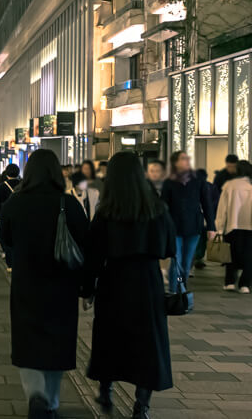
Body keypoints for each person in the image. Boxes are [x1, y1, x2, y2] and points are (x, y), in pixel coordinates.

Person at [83, 152, 174, 419]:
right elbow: (169, 247)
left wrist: (87, 289)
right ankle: (141, 404)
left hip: (115, 282)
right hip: (148, 283)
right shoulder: (156, 208)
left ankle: (106, 388)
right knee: (148, 343)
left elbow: (93, 255)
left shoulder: (107, 211)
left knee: (110, 338)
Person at [0, 149, 89, 419]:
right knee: (57, 344)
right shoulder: (69, 204)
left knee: (28, 342)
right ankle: (51, 400)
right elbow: (85, 243)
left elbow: (7, 239)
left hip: (27, 284)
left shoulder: (15, 203)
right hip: (62, 286)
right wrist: (87, 286)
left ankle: (35, 394)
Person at [160, 151, 215, 292]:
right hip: (174, 227)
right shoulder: (169, 182)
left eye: (187, 158)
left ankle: (181, 287)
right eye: (183, 159)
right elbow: (164, 205)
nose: (186, 161)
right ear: (175, 162)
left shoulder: (198, 180)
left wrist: (211, 226)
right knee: (176, 261)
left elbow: (206, 204)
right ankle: (175, 290)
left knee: (186, 261)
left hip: (193, 226)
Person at [214, 160, 252, 292]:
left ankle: (230, 282)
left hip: (232, 225)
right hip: (249, 226)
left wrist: (219, 227)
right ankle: (245, 284)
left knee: (230, 254)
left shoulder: (229, 185)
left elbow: (222, 209)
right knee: (249, 256)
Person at [0, 164, 21, 261]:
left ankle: (9, 262)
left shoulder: (1, 187)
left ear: (7, 174)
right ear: (18, 173)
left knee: (6, 237)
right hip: (21, 216)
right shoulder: (23, 185)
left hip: (5, 216)